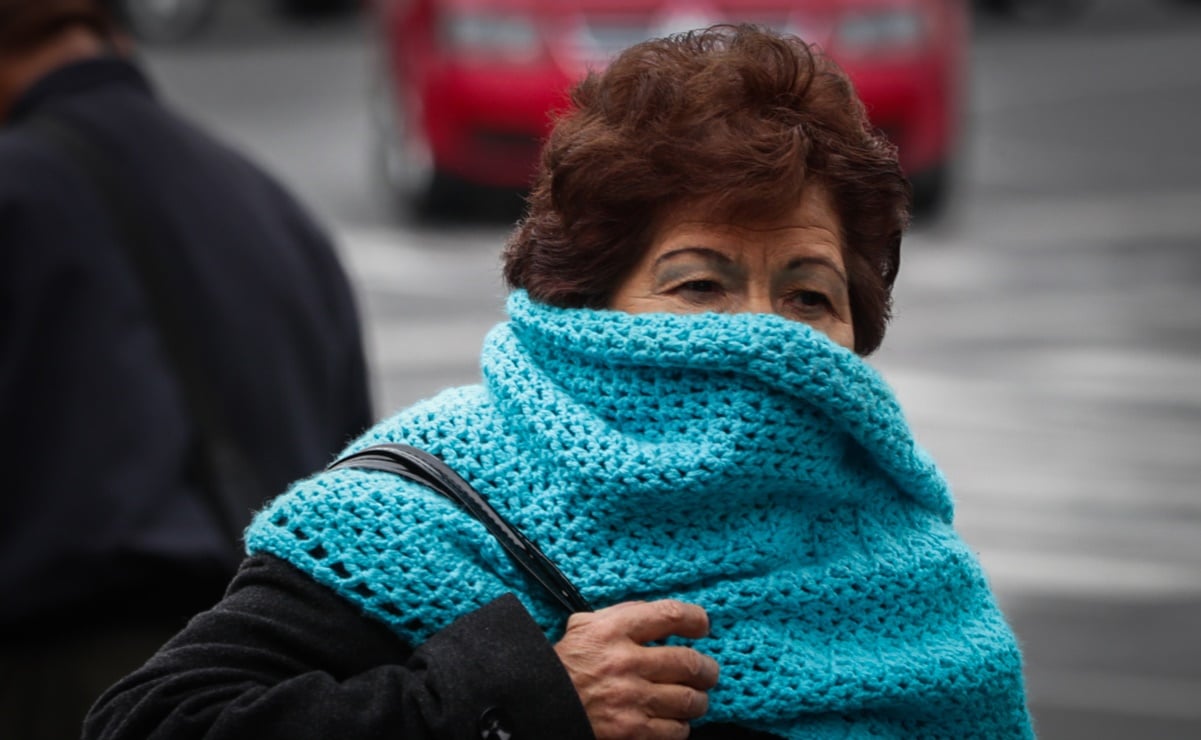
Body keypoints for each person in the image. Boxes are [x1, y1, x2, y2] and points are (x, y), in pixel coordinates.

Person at [83, 24, 1034, 740]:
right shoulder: (426, 501)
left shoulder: (909, 563)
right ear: (585, 299)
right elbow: (153, 722)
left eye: (808, 295)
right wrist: (519, 699)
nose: (761, 335)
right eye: (699, 283)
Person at [0, 1, 373, 737]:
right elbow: (359, 472)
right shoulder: (272, 204)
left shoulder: (18, 192)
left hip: (72, 678)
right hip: (279, 672)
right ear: (115, 31)